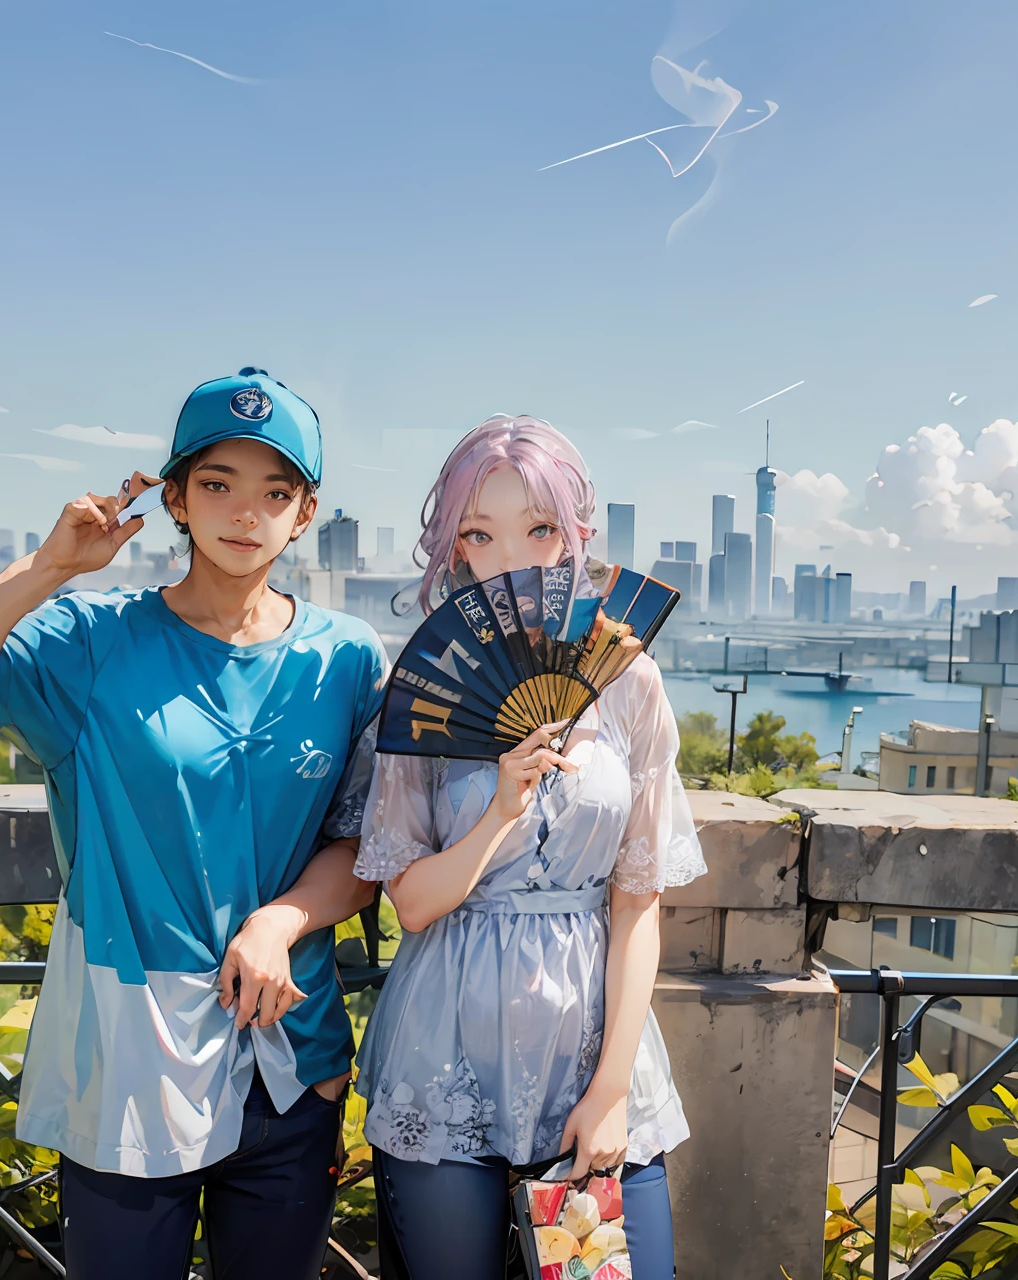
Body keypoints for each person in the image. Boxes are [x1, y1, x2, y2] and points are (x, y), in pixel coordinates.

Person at [0, 369, 386, 1279]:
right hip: (130, 1054)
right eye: (218, 485)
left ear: (306, 514)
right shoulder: (95, 640)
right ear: (176, 499)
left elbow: (366, 845)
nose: (246, 513)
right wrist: (52, 569)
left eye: (276, 492)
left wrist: (284, 920)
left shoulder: (345, 658)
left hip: (291, 1054)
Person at [352, 415, 706, 1279]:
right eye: (480, 533)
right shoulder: (421, 689)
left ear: (575, 536)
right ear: (455, 550)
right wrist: (500, 811)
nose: (511, 559)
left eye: (538, 530)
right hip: (446, 1053)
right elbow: (413, 903)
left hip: (590, 1046)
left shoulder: (628, 680)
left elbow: (638, 902)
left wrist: (612, 1089)